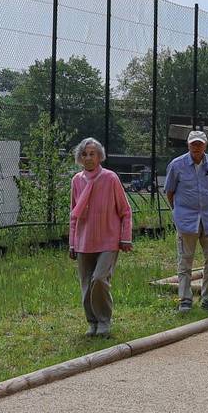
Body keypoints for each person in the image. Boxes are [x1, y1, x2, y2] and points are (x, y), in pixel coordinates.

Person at [67, 139, 134, 337]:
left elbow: (125, 211)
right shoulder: (76, 180)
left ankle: (104, 320)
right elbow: (73, 214)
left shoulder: (110, 178)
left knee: (99, 279)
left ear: (99, 156)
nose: (88, 157)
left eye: (92, 153)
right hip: (83, 240)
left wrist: (126, 237)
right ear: (80, 157)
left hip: (108, 240)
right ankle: (92, 322)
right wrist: (72, 243)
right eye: (85, 154)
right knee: (86, 283)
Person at [163, 131, 208, 312]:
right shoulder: (176, 165)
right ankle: (185, 300)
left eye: (200, 144)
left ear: (205, 145)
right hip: (187, 220)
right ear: (188, 145)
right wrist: (179, 213)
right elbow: (170, 191)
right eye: (193, 144)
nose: (196, 147)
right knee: (185, 260)